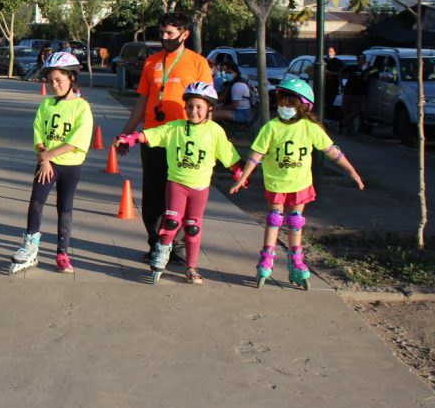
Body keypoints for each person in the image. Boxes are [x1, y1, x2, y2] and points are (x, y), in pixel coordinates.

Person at [230, 77, 364, 290]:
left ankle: (296, 261)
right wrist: (243, 177)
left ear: (303, 106)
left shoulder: (310, 127)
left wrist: (352, 172)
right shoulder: (271, 127)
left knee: (295, 221)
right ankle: (267, 259)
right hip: (277, 183)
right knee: (274, 219)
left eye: (290, 105)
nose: (284, 108)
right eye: (282, 103)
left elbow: (332, 152)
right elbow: (256, 155)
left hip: (300, 184)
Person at [114, 82, 242, 285]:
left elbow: (228, 155)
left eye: (199, 107)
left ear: (209, 108)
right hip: (177, 184)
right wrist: (130, 139)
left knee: (193, 226)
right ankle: (160, 256)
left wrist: (240, 173)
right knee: (171, 221)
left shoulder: (215, 131)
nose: (193, 111)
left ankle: (191, 267)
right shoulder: (175, 128)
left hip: (200, 187)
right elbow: (152, 134)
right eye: (190, 106)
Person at [116, 12, 213, 262]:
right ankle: (156, 244)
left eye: (170, 33)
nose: (165, 38)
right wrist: (126, 132)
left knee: (180, 193)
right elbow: (142, 100)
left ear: (185, 34)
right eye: (162, 33)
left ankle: (177, 248)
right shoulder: (152, 62)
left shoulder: (198, 63)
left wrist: (207, 138)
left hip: (183, 138)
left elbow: (207, 104)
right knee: (153, 193)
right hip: (153, 136)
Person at [9, 52, 93, 275]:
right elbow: (38, 134)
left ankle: (62, 253)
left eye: (59, 80)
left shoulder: (82, 107)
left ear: (72, 79)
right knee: (36, 202)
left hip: (70, 166)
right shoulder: (46, 105)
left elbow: (77, 141)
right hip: (46, 165)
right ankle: (30, 246)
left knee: (65, 207)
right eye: (50, 81)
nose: (54, 85)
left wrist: (48, 156)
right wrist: (43, 158)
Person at [339, 55, 369, 134]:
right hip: (348, 92)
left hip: (359, 94)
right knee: (346, 111)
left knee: (355, 112)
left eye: (362, 59)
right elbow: (341, 72)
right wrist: (341, 85)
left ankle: (343, 123)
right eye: (359, 58)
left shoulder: (367, 70)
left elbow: (366, 79)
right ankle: (349, 128)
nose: (361, 60)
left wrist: (366, 72)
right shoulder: (352, 68)